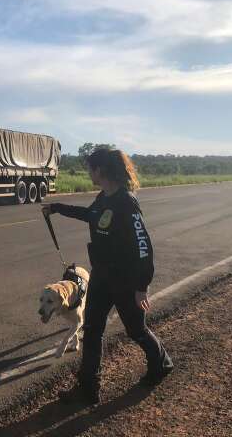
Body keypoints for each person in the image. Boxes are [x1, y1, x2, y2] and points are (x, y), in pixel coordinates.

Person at [42, 148, 173, 404]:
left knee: (136, 330)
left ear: (100, 170)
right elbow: (89, 215)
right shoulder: (104, 198)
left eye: (90, 168)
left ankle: (161, 364)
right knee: (91, 330)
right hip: (101, 277)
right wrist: (56, 208)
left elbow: (143, 245)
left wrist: (141, 286)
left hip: (125, 280)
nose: (88, 172)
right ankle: (89, 388)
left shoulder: (126, 201)